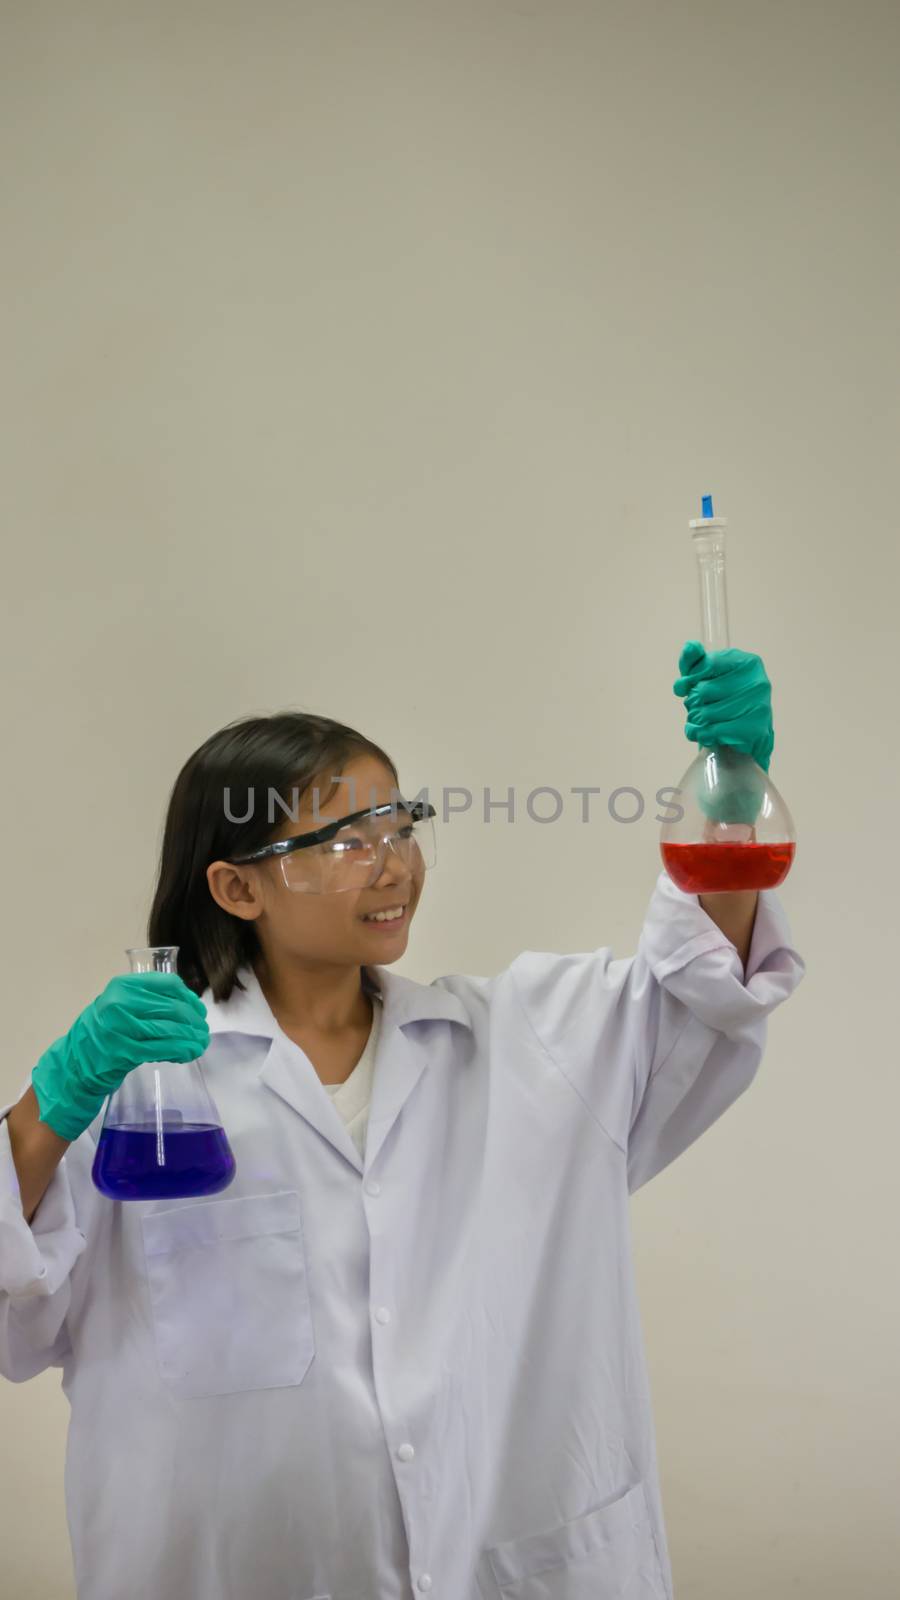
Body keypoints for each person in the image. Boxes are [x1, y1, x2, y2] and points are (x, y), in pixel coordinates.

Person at [0, 646, 804, 1600]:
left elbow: (704, 984)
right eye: (347, 838)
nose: (395, 865)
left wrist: (729, 786)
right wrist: (53, 1099)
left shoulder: (530, 1045)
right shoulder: (142, 1097)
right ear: (237, 889)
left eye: (401, 824)